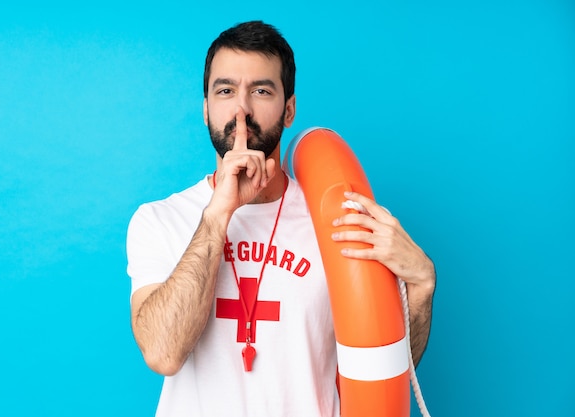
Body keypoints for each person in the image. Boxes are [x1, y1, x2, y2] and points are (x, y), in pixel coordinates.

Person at [126, 20, 436, 417]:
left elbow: (382, 372)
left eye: (261, 90)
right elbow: (163, 353)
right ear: (205, 109)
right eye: (225, 91)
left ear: (288, 109)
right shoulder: (159, 220)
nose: (241, 109)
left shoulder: (342, 220)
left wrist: (422, 286)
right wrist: (220, 212)